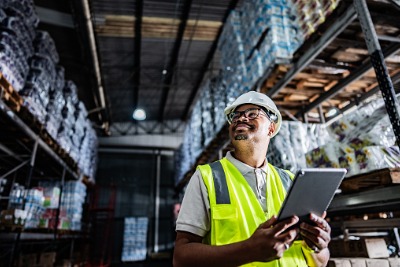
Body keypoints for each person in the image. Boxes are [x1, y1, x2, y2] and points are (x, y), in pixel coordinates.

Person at [173, 91, 331, 267]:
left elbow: (320, 262)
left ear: (271, 128)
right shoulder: (207, 177)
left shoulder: (291, 181)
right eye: (236, 116)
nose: (241, 119)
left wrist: (319, 248)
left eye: (252, 114)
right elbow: (181, 258)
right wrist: (249, 250)